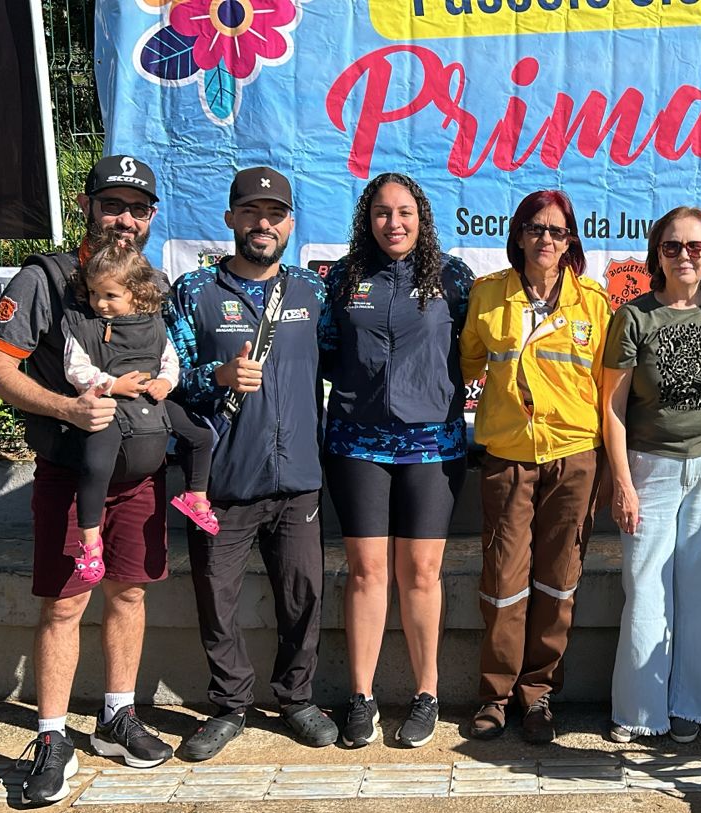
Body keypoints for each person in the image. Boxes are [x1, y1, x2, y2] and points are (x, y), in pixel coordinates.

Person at [0, 155, 175, 806]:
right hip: (72, 470)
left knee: (130, 595)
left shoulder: (152, 283)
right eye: (112, 204)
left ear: (151, 219)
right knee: (66, 602)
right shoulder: (47, 277)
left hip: (139, 472)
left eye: (137, 208)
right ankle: (51, 736)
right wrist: (65, 406)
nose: (124, 219)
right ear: (88, 205)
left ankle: (117, 717)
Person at [166, 167, 339, 760]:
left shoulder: (313, 293)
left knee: (304, 593)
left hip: (299, 482)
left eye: (274, 214)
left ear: (290, 224)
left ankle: (296, 698)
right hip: (220, 484)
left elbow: (349, 361)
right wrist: (212, 376)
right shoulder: (193, 291)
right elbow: (169, 380)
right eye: (250, 212)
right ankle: (230, 704)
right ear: (230, 219)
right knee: (216, 595)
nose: (262, 224)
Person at [320, 173, 475, 749]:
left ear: (422, 217)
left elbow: (472, 349)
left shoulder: (452, 278)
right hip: (357, 441)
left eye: (405, 212)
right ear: (368, 219)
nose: (394, 223)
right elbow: (327, 352)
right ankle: (360, 699)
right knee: (366, 572)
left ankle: (426, 693)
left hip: (433, 443)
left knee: (422, 573)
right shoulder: (342, 277)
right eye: (382, 213)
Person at [460, 189, 612, 745]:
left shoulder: (592, 303)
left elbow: (607, 390)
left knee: (558, 582)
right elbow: (470, 362)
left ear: (570, 240)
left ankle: (539, 696)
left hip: (574, 459)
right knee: (502, 582)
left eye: (557, 231)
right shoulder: (487, 295)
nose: (546, 240)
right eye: (536, 229)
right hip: (508, 459)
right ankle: (495, 697)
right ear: (519, 235)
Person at [602, 207, 701, 743]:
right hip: (650, 467)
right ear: (656, 253)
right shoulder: (634, 317)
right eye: (673, 247)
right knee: (645, 589)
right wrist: (622, 482)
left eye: (697, 247)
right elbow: (611, 409)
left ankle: (696, 705)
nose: (685, 256)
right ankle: (640, 710)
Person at [63, 244, 219, 586]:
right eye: (93, 294)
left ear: (135, 293)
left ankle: (195, 496)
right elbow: (74, 368)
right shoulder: (83, 326)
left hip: (151, 401)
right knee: (96, 463)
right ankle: (89, 542)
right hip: (110, 406)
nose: (99, 303)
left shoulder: (154, 324)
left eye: (110, 295)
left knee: (201, 436)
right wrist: (109, 384)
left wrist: (165, 382)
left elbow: (170, 359)